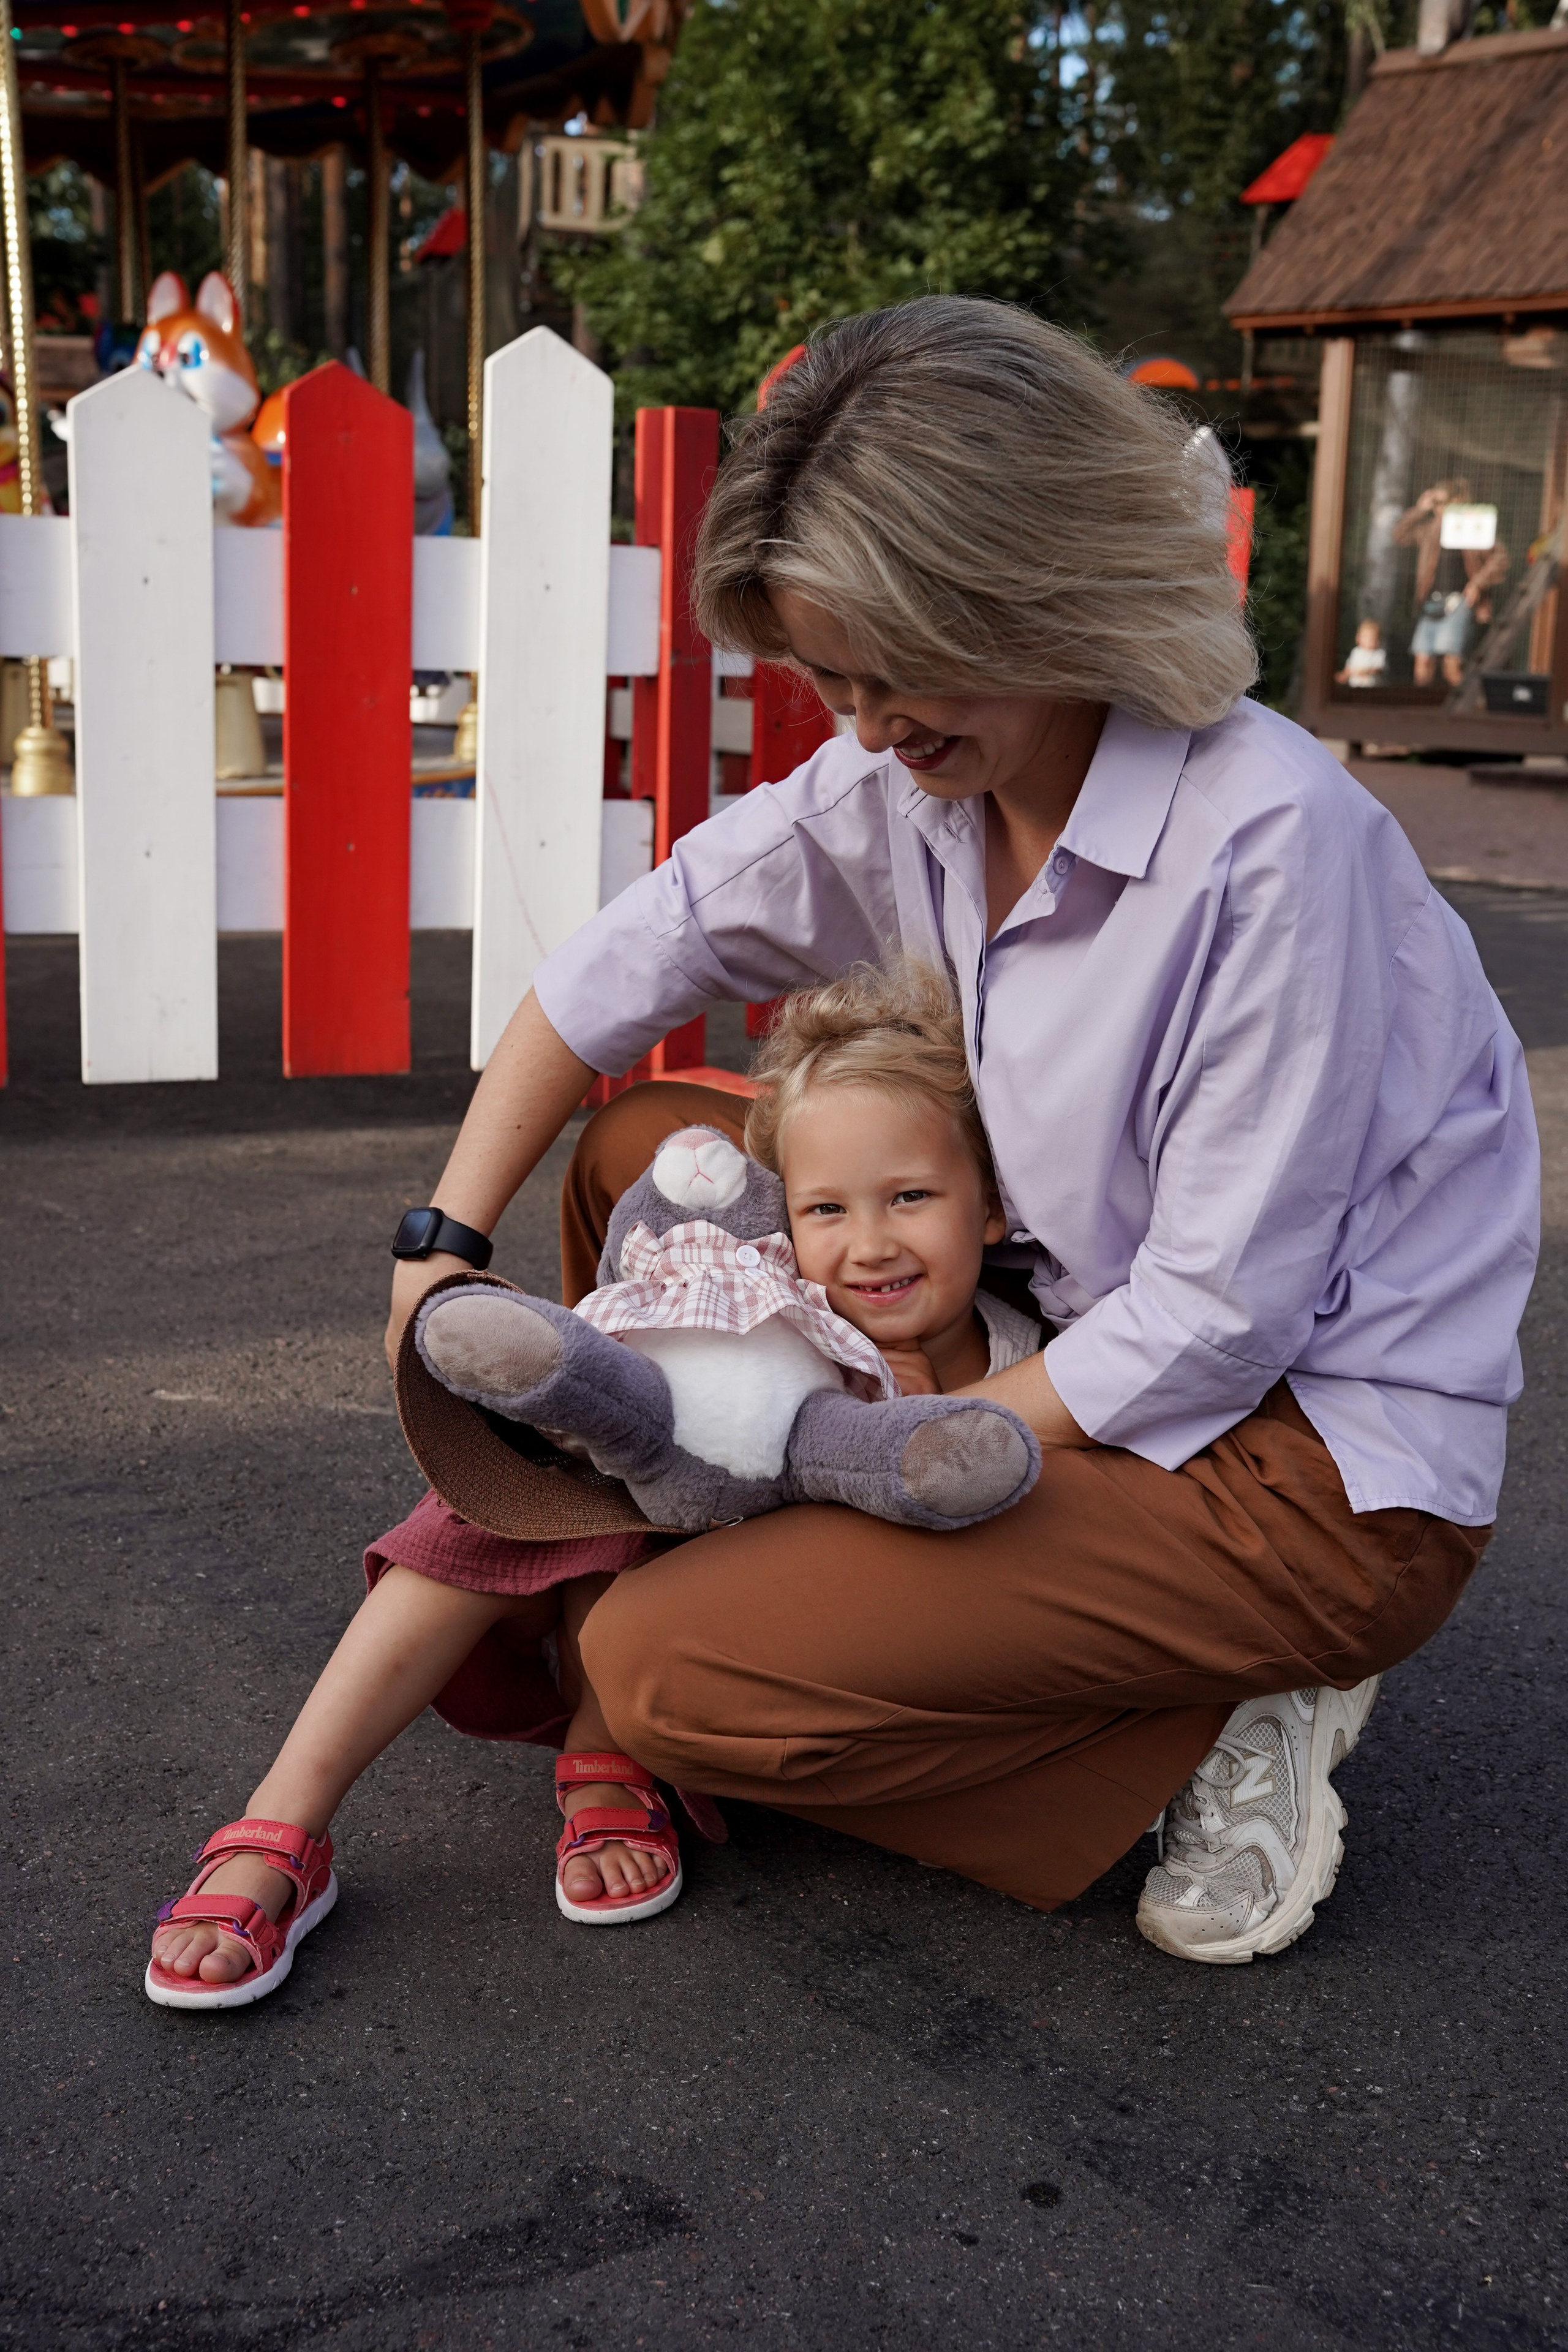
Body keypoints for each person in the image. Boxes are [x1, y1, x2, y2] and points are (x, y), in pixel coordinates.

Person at [144, 961, 1042, 1997]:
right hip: (639, 1575)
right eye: (826, 1208)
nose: (870, 1243)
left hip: (768, 1661)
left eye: (913, 1197)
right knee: (504, 1509)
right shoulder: (773, 1317)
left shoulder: (1028, 1369)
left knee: (715, 1541)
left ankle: (606, 1749)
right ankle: (280, 1824)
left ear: (991, 1207)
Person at [1392, 480, 1509, 690]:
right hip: (1431, 602)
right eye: (1435, 503)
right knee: (1422, 663)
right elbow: (1400, 535)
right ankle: (1423, 715)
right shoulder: (1430, 530)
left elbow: (1501, 559)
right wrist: (1420, 509)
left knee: (1452, 666)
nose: (1439, 507)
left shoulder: (1474, 527)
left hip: (1461, 602)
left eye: (1442, 502)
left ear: (1458, 501)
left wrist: (1477, 584)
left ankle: (1467, 711)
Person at [1335, 618, 1387, 688]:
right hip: (1355, 687)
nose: (1369, 640)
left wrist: (1367, 671)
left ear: (1378, 640)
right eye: (1366, 637)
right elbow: (1349, 668)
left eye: (1372, 638)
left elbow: (1379, 670)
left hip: (1372, 688)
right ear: (1358, 638)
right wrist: (1344, 676)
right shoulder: (1356, 652)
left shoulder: (1380, 654)